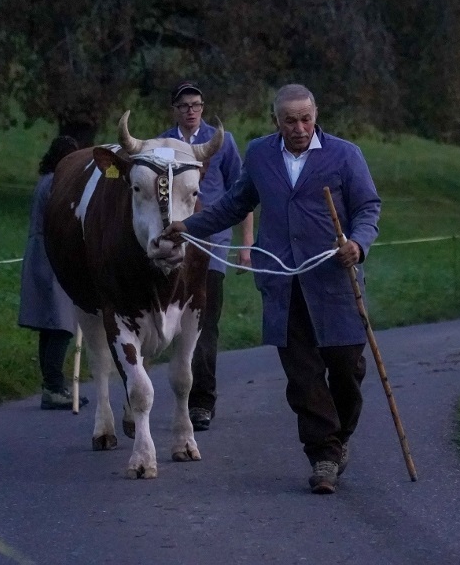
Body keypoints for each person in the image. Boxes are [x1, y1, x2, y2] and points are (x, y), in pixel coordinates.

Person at [162, 84, 381, 494]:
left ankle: (338, 437)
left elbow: (368, 207)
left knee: (347, 369)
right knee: (303, 377)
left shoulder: (345, 154)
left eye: (305, 119)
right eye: (289, 120)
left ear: (315, 116)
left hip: (335, 280)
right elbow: (235, 203)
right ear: (275, 120)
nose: (298, 128)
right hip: (283, 281)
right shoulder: (261, 153)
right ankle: (324, 456)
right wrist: (188, 227)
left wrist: (358, 244)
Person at [159, 81, 255, 432]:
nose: (190, 110)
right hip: (172, 243)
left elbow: (243, 194)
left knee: (204, 324)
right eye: (184, 105)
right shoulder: (164, 144)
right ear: (175, 110)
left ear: (203, 107)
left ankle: (202, 402)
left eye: (196, 104)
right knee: (163, 320)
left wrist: (246, 244)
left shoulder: (221, 141)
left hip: (211, 243)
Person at [18, 135, 86, 410]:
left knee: (49, 323)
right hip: (53, 254)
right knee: (61, 323)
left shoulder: (45, 181)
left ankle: (52, 384)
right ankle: (54, 387)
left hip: (40, 252)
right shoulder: (57, 184)